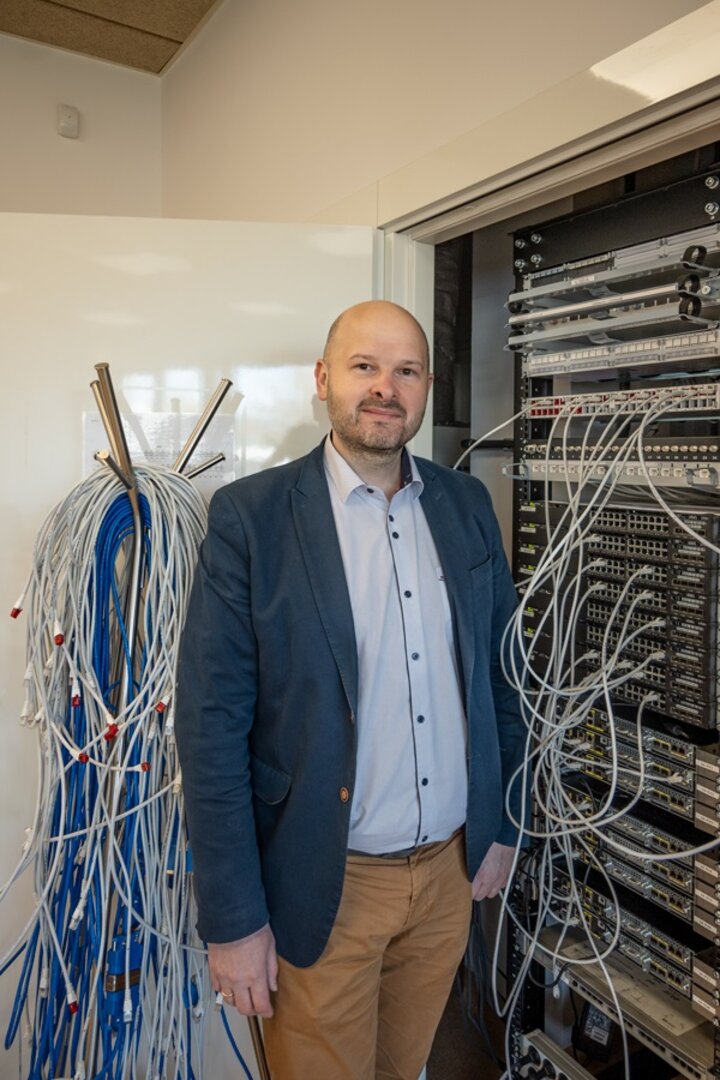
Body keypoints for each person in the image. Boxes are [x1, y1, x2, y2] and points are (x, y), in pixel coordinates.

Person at [174, 300, 526, 1080]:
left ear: (426, 386)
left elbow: (503, 678)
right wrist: (234, 921)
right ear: (323, 378)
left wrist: (503, 822)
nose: (384, 389)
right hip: (324, 883)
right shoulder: (252, 519)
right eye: (364, 367)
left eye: (406, 371)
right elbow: (210, 729)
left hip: (446, 877)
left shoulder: (467, 506)